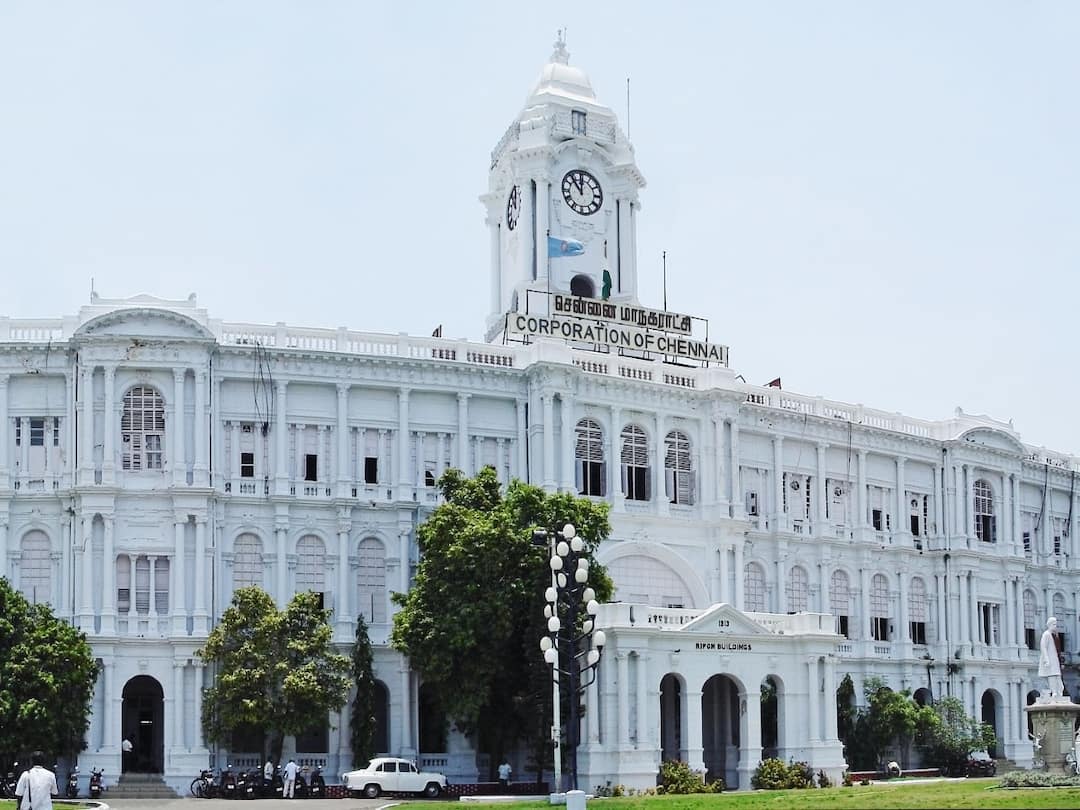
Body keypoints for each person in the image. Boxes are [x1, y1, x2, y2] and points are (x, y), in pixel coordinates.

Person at [1039, 616, 1064, 697]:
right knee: (1052, 675)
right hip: (1050, 659)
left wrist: (1061, 661)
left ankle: (1059, 691)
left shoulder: (1055, 635)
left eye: (1056, 624)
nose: (1055, 626)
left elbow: (1058, 649)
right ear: (1049, 624)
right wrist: (1046, 660)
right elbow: (1043, 647)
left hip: (1055, 659)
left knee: (1057, 676)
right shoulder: (1046, 634)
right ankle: (1054, 692)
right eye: (1054, 624)